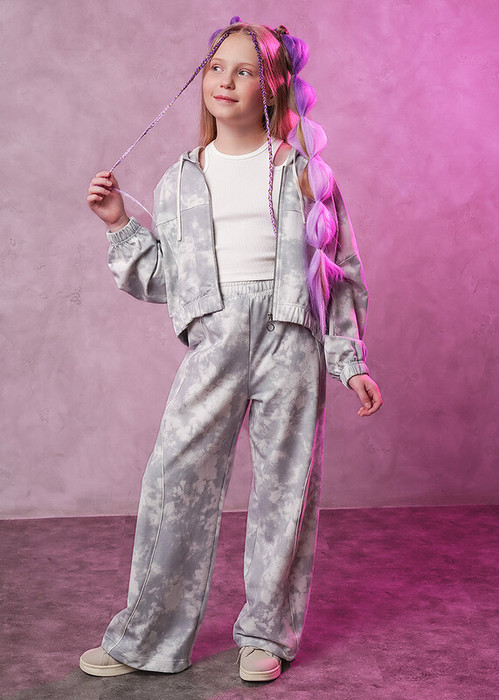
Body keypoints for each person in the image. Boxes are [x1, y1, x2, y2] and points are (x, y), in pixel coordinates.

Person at [80, 16, 382, 683]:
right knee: (174, 481)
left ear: (272, 87)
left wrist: (349, 361)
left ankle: (266, 634)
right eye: (217, 67)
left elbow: (339, 273)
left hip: (291, 341)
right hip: (215, 342)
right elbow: (168, 281)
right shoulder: (180, 180)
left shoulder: (306, 175)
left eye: (245, 70)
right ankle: (147, 637)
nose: (226, 80)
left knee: (284, 492)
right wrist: (120, 225)